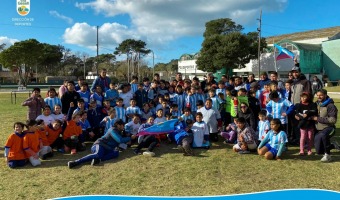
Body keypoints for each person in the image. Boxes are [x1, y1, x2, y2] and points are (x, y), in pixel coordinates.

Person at [313, 89, 338, 162]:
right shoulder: (316, 104)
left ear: (325, 95)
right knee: (318, 151)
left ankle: (327, 155)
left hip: (329, 128)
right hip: (318, 129)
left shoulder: (331, 106)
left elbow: (333, 120)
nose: (319, 97)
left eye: (320, 95)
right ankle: (333, 145)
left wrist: (318, 119)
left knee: (323, 135)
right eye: (317, 95)